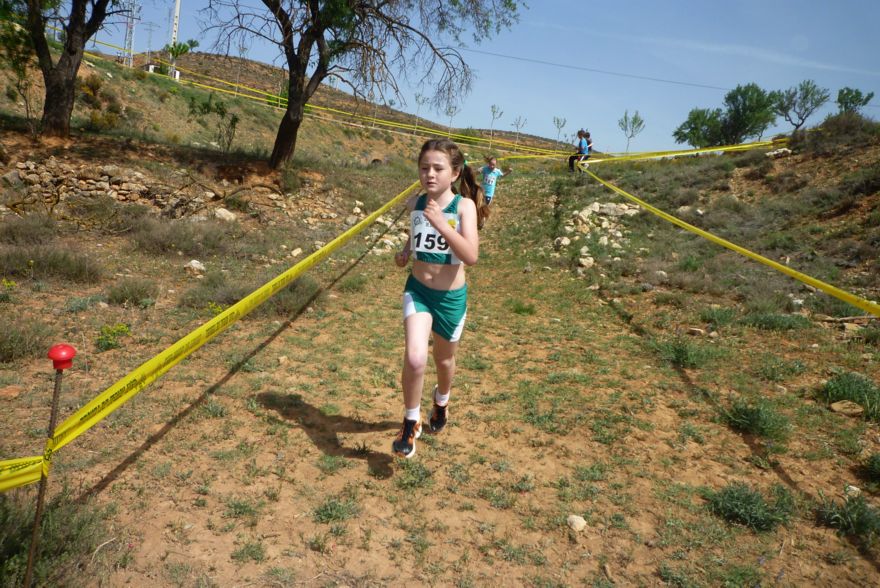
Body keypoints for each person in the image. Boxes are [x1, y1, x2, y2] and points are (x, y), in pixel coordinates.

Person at [391, 138, 488, 458]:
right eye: (424, 168)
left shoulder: (463, 206)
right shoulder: (417, 203)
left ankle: (441, 401)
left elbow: (470, 255)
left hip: (450, 298)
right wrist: (406, 250)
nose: (429, 174)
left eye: (437, 168)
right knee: (415, 358)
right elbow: (418, 233)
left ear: (455, 173)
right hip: (418, 290)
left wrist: (441, 223)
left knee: (443, 360)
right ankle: (410, 421)